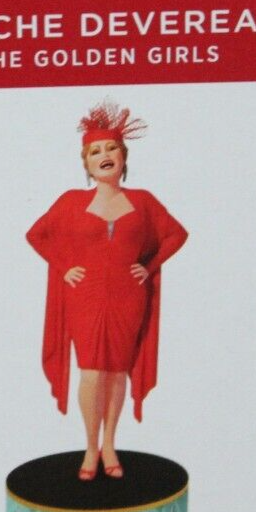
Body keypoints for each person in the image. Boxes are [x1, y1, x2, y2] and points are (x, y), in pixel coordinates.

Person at [26, 100, 188, 481]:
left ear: (123, 156)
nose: (104, 156)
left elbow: (177, 234)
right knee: (91, 372)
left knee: (116, 373)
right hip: (84, 297)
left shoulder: (143, 201)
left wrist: (149, 267)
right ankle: (90, 447)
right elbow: (36, 234)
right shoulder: (71, 201)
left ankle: (110, 444)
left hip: (129, 297)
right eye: (95, 151)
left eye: (111, 148)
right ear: (86, 163)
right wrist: (64, 268)